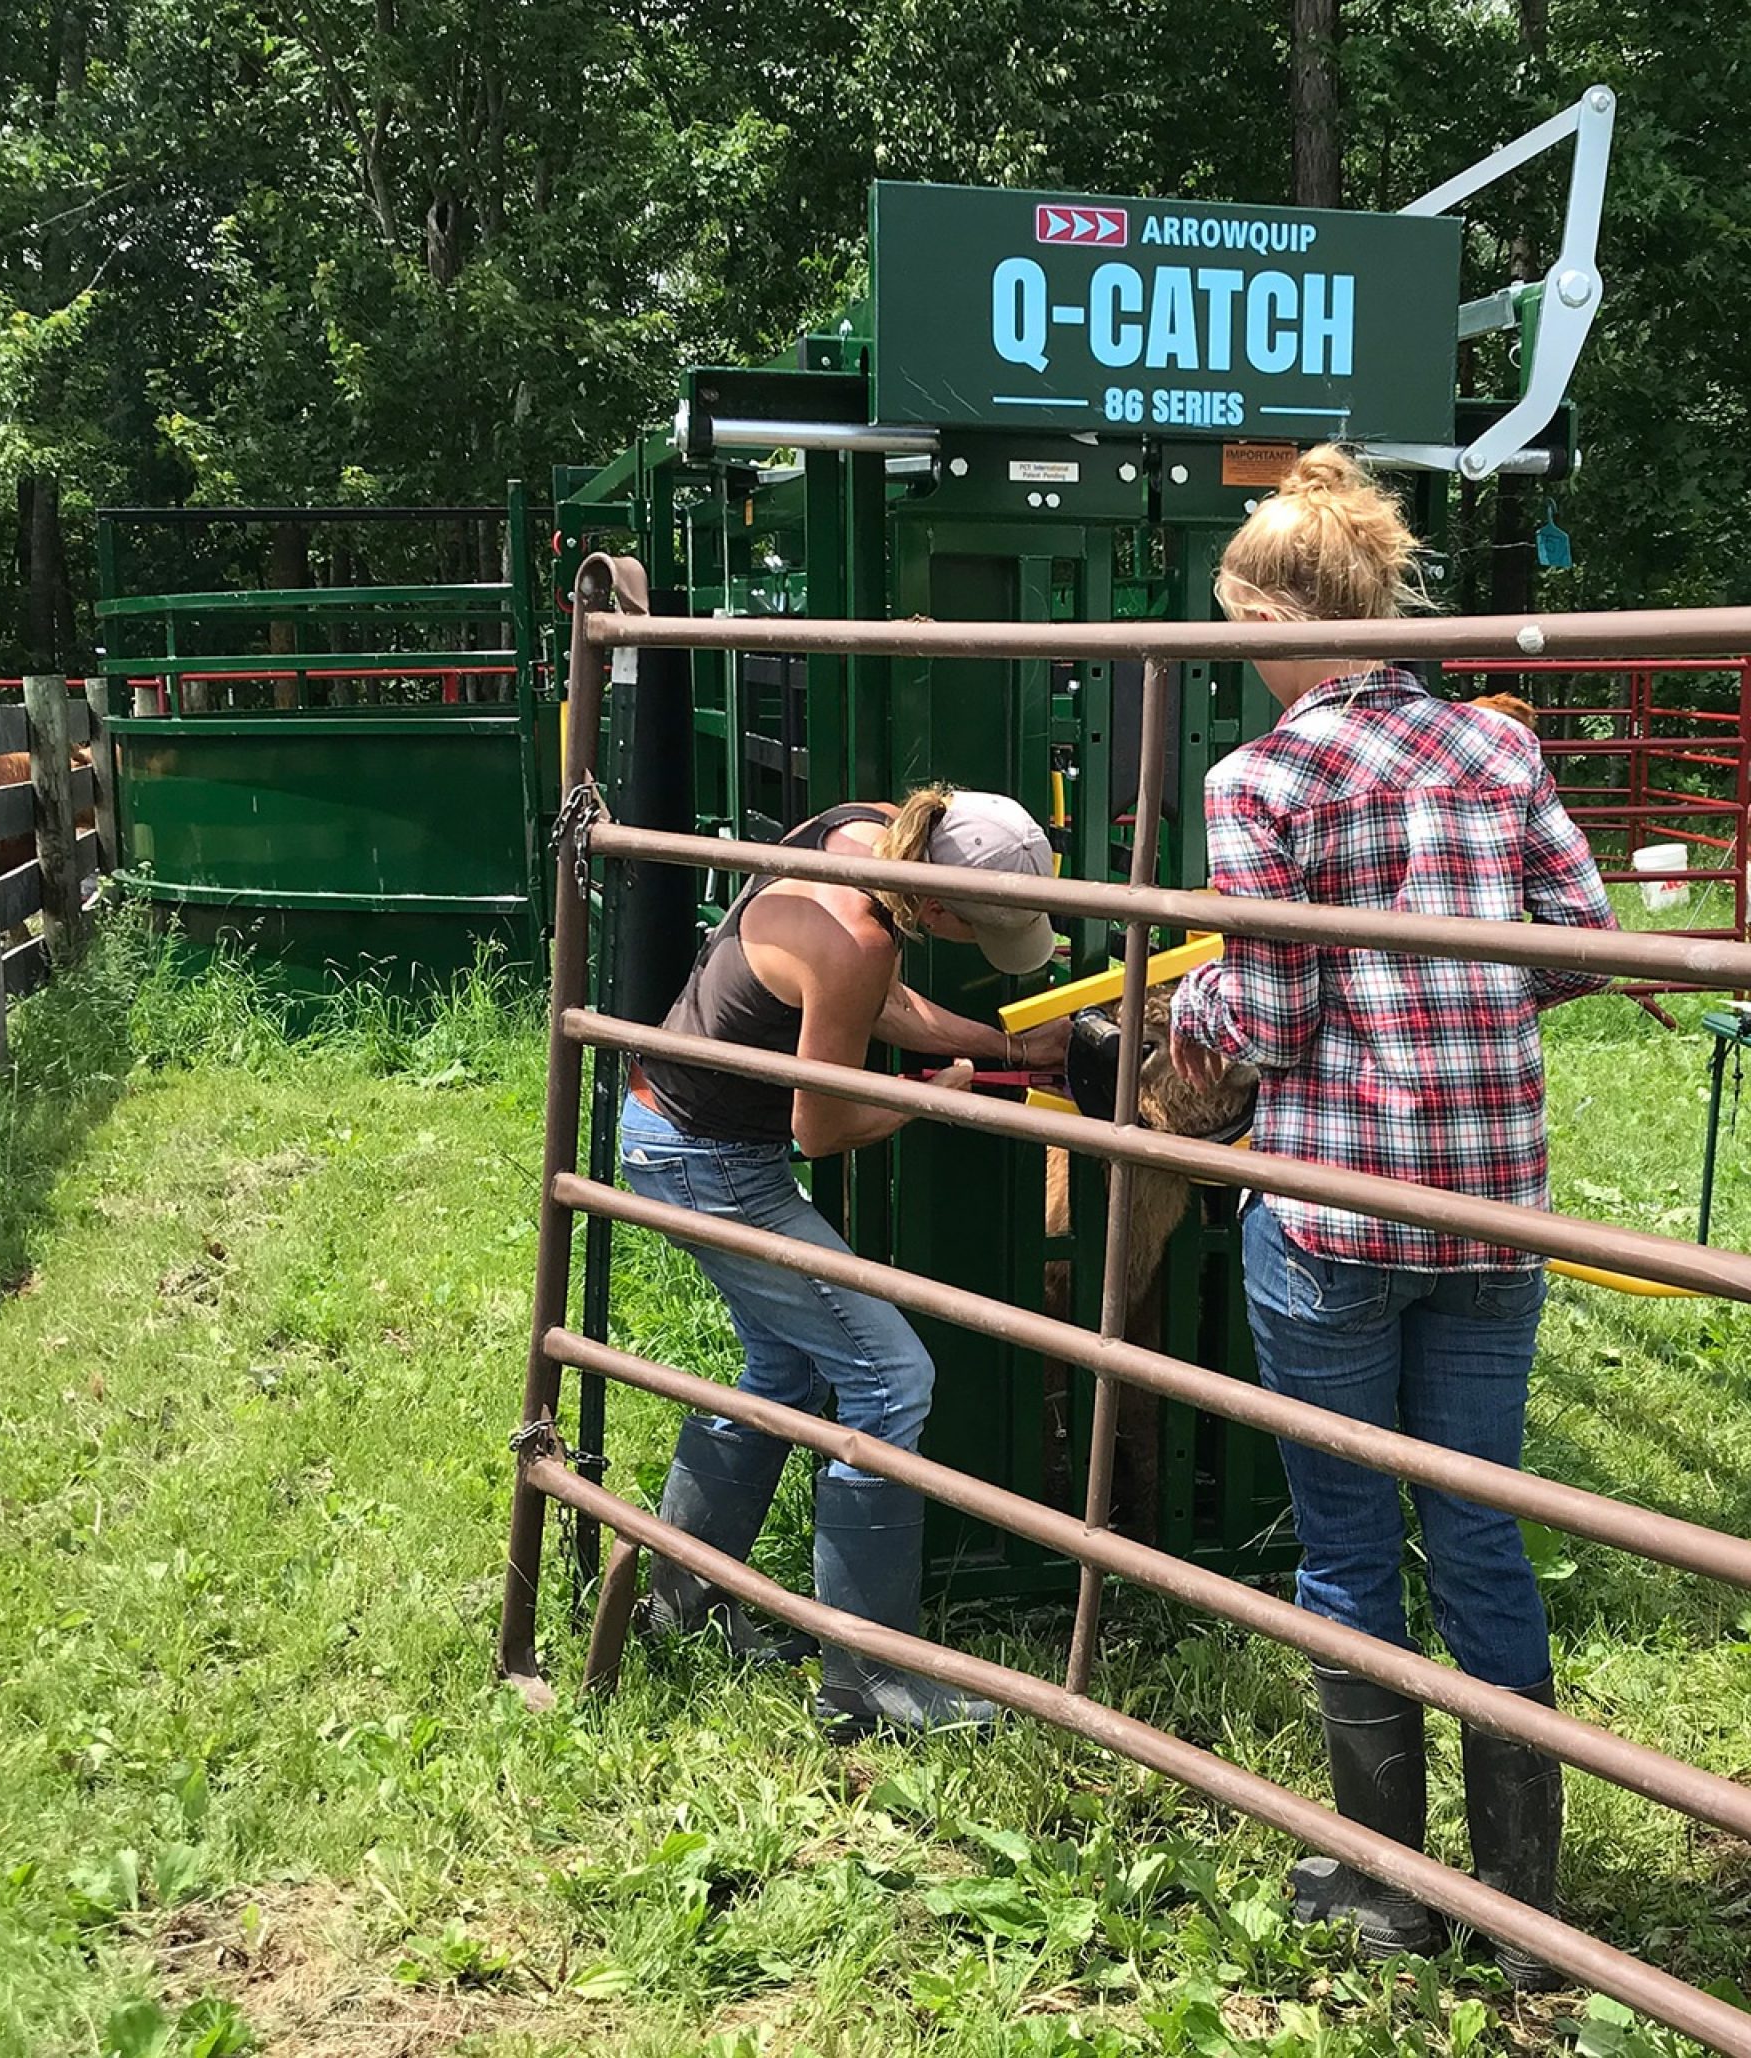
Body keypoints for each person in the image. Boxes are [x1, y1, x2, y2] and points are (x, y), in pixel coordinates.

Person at [1167, 447, 1615, 1984]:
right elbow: (1589, 941)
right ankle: (1527, 1906)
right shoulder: (1491, 748)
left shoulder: (1264, 779)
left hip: (1341, 1211)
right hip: (1495, 1204)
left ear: (1264, 615)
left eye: (1230, 621)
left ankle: (1387, 1885)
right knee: (1479, 1525)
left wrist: (1196, 1015)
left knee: (1353, 1546)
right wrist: (1467, 993)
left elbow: (1275, 1016)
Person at [621, 788, 1069, 1738]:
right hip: (711, 1163)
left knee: (784, 1367)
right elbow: (818, 1130)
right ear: (937, 909)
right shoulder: (856, 937)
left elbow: (879, 1002)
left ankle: (682, 1605)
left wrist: (998, 1047)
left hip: (673, 1131)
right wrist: (937, 1100)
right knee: (892, 1380)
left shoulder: (857, 835)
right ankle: (871, 1679)